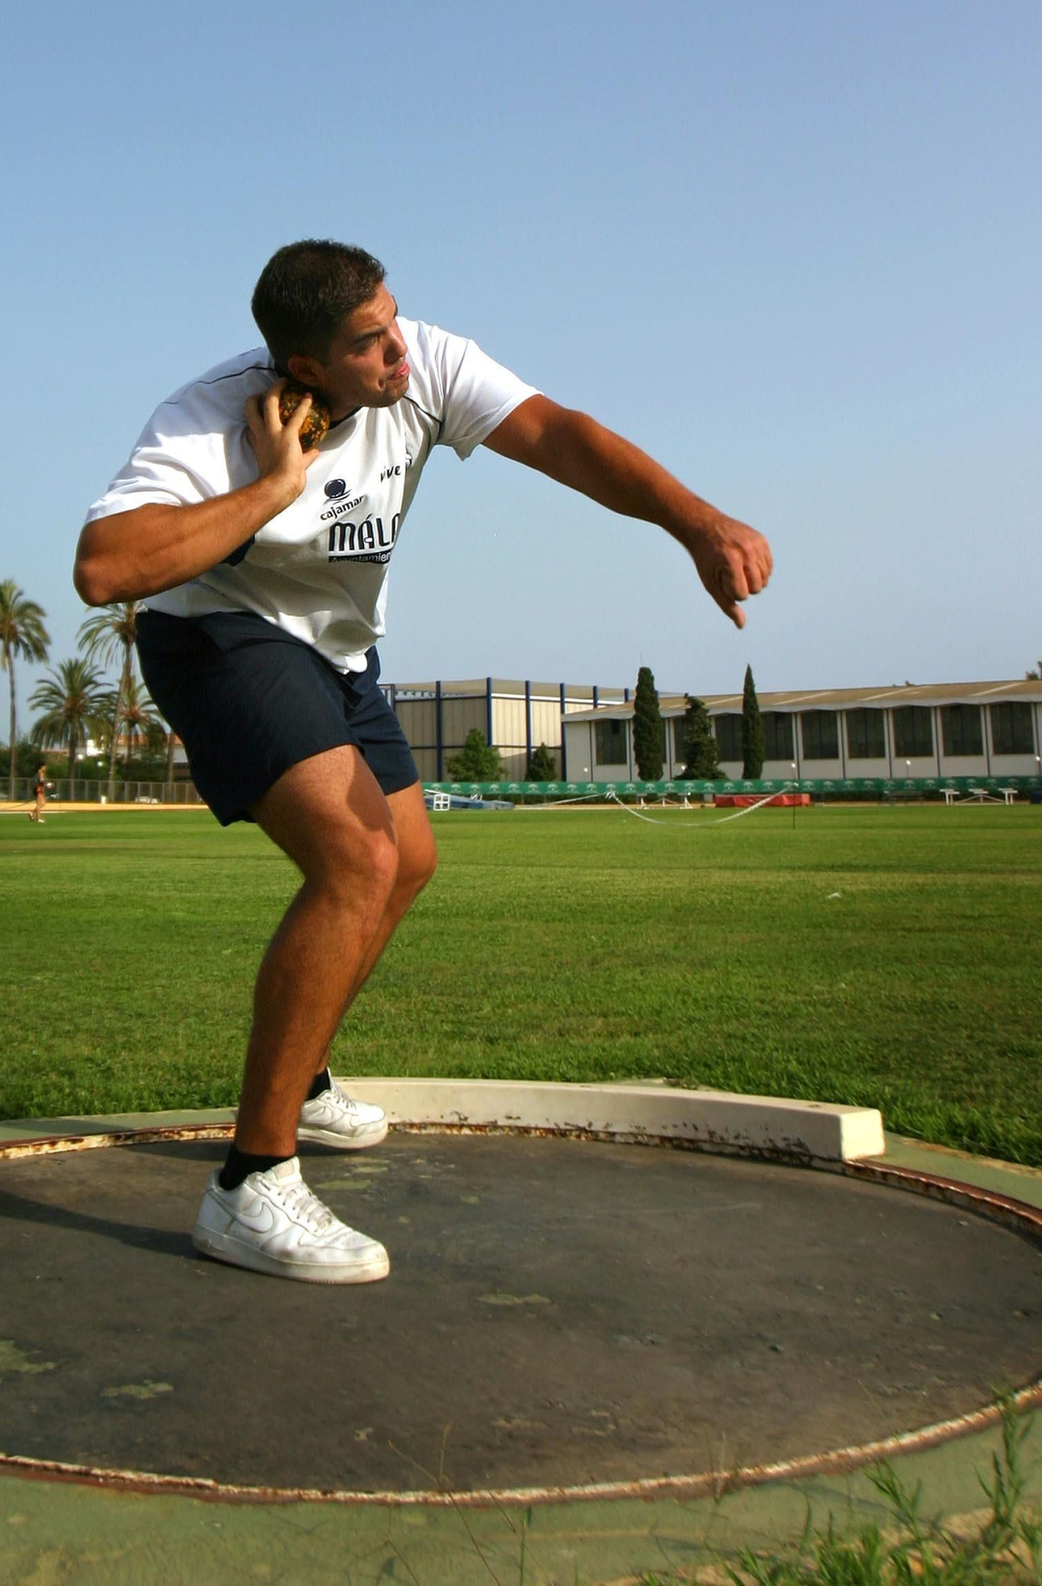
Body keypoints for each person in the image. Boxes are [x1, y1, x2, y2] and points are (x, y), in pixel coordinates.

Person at [74, 241, 771, 1285]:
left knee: (407, 857)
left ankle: (301, 1083)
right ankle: (248, 1185)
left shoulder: (423, 363)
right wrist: (271, 490)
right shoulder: (209, 416)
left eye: (395, 321)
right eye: (369, 341)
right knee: (353, 860)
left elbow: (559, 436)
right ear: (304, 366)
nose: (398, 349)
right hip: (220, 635)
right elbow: (103, 566)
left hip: (341, 649)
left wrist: (694, 523)